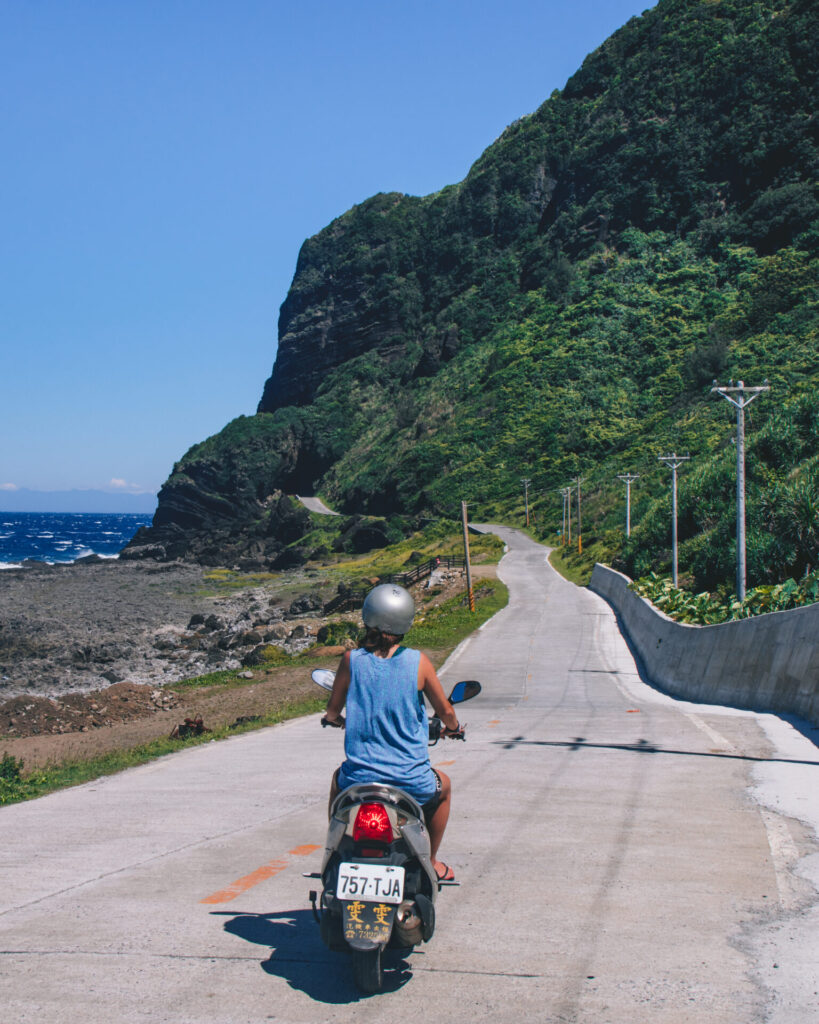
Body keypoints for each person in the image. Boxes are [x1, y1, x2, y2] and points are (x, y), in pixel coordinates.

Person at [322, 583, 462, 882]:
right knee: (445, 787)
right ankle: (433, 862)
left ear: (368, 616)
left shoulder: (351, 660)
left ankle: (332, 852)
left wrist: (335, 719)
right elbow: (447, 712)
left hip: (360, 779)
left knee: (337, 779)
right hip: (411, 781)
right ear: (406, 621)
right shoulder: (418, 662)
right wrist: (454, 728)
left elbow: (332, 710)